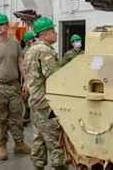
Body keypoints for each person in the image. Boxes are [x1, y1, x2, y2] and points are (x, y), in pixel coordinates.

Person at [0, 13, 31, 160]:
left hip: (14, 86)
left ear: (7, 25)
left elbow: (20, 62)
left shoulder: (15, 44)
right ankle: (2, 146)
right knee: (0, 119)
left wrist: (26, 80)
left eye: (1, 24)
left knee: (17, 117)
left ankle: (19, 144)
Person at [24, 16, 66, 170]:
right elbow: (54, 76)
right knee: (55, 138)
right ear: (44, 34)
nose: (55, 34)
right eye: (53, 31)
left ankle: (38, 165)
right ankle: (59, 166)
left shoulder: (31, 50)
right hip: (46, 103)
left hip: (35, 100)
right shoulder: (45, 51)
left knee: (39, 137)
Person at [21, 31, 36, 125]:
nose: (32, 40)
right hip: (27, 74)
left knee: (35, 94)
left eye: (32, 38)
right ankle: (27, 109)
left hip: (35, 75)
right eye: (30, 39)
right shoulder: (24, 51)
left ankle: (34, 112)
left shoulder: (36, 48)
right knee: (26, 94)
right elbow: (22, 64)